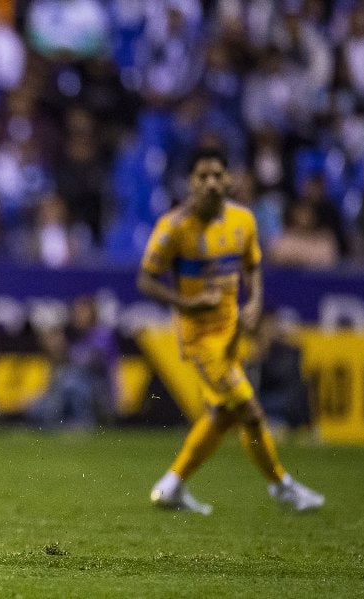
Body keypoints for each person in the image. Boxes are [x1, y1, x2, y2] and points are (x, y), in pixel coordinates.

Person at [137, 147, 324, 514]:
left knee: (222, 414)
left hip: (232, 335)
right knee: (250, 411)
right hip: (199, 336)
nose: (210, 183)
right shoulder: (174, 227)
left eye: (216, 175)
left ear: (229, 179)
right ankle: (281, 486)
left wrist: (254, 303)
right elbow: (145, 279)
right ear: (190, 183)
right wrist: (186, 303)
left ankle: (172, 484)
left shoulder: (243, 220)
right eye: (202, 176)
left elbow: (253, 266)